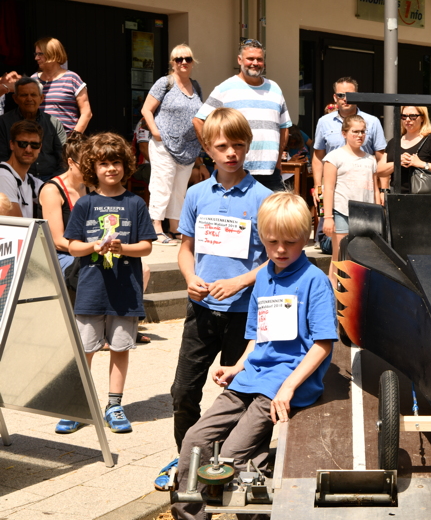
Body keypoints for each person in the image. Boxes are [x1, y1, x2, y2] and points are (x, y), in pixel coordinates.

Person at [170, 192, 337, 520]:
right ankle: (190, 515)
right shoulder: (263, 276)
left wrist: (288, 388)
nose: (279, 250)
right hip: (253, 376)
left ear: (306, 236)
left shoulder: (315, 281)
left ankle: (256, 513)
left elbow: (323, 344)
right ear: (261, 237)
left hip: (285, 382)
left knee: (234, 455)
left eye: (290, 242)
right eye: (272, 241)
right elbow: (259, 337)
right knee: (195, 440)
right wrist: (236, 366)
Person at [161, 108, 272, 485]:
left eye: (238, 145)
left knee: (238, 394)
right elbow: (185, 248)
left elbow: (277, 259)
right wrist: (190, 277)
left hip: (246, 313)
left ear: (247, 147)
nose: (230, 153)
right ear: (207, 148)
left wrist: (242, 282)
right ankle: (186, 462)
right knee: (183, 390)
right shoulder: (195, 194)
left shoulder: (263, 197)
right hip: (202, 310)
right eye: (222, 146)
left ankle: (232, 463)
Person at [55, 132, 156, 434]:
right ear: (92, 168)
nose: (111, 169)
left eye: (116, 162)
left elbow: (147, 246)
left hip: (126, 291)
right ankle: (79, 405)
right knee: (86, 348)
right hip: (91, 290)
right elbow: (72, 245)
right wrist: (93, 246)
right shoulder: (85, 204)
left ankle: (115, 404)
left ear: (126, 165)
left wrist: (121, 248)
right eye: (103, 164)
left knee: (120, 348)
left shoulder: (135, 203)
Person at [193, 39, 291, 192]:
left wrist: (278, 160)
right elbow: (198, 120)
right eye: (250, 58)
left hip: (270, 172)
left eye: (259, 59)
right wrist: (212, 152)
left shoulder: (275, 88)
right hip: (236, 169)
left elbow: (284, 127)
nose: (255, 63)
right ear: (240, 60)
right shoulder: (225, 88)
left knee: (273, 216)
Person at [141, 44, 204, 245]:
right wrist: (155, 131)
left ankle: (175, 227)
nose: (183, 62)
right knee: (162, 184)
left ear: (193, 62)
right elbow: (146, 110)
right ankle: (157, 227)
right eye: (178, 59)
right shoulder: (164, 83)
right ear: (172, 63)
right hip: (164, 145)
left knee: (180, 188)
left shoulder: (197, 86)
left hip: (188, 147)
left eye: (187, 59)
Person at [312, 77, 386, 206]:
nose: (345, 99)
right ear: (335, 97)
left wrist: (383, 190)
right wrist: (318, 188)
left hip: (364, 188)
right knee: (327, 222)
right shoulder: (324, 122)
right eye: (341, 95)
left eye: (349, 95)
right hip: (331, 188)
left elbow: (382, 159)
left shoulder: (372, 122)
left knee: (365, 224)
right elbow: (318, 157)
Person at [322, 115, 378, 286]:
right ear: (344, 133)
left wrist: (377, 211)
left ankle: (355, 289)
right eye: (355, 132)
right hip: (342, 211)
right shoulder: (334, 157)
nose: (359, 135)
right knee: (340, 254)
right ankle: (333, 292)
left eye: (362, 131)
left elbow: (374, 187)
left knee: (361, 254)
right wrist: (328, 217)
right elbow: (329, 189)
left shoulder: (370, 159)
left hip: (365, 213)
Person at [39, 132, 86, 282]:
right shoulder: (52, 190)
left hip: (88, 249)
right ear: (71, 162)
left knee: (142, 269)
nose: (91, 170)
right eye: (86, 165)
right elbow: (57, 241)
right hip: (61, 255)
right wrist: (92, 248)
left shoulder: (92, 185)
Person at [0, 77, 66, 180]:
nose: (29, 99)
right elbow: (2, 158)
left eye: (33, 95)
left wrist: (54, 181)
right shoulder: (3, 122)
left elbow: (64, 157)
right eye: (24, 95)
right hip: (16, 179)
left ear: (41, 98)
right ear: (15, 99)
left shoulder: (53, 123)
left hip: (51, 179)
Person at [385, 106, 431, 193]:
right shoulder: (394, 142)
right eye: (404, 116)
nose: (408, 119)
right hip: (397, 197)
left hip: (424, 198)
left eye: (413, 116)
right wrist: (397, 163)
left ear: (423, 118)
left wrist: (421, 164)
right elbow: (380, 171)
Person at [32, 37, 92, 134]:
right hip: (38, 143)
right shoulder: (32, 80)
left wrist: (73, 139)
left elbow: (86, 113)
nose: (36, 58)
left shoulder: (72, 78)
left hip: (66, 141)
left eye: (40, 54)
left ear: (53, 53)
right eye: (35, 54)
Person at [0, 120, 44, 218]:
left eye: (34, 145)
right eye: (23, 144)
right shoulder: (3, 176)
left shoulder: (30, 180)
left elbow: (54, 193)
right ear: (12, 145)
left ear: (40, 148)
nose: (28, 149)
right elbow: (16, 225)